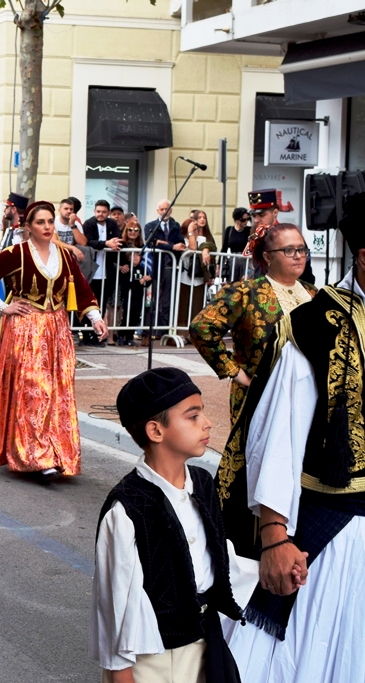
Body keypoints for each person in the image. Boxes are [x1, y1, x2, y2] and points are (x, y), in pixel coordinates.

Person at [217, 200, 365, 682]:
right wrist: (274, 537)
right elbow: (278, 436)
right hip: (337, 529)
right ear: (363, 255)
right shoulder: (315, 326)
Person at [92, 368, 259, 683]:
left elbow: (217, 559)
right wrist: (121, 673)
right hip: (152, 660)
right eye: (193, 417)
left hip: (204, 646)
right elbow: (115, 601)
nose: (207, 423)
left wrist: (267, 574)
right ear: (156, 431)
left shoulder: (203, 484)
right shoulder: (128, 508)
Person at [0, 201, 107, 480]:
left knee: (57, 391)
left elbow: (82, 290)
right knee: (33, 390)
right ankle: (34, 456)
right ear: (28, 227)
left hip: (57, 330)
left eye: (49, 221)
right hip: (24, 329)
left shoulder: (66, 256)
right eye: (40, 222)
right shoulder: (14, 254)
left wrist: (95, 318)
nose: (47, 227)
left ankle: (57, 452)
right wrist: (2, 307)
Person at [190, 224, 316, 427]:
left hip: (308, 395)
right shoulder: (247, 293)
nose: (298, 256)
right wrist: (235, 372)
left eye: (302, 249)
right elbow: (201, 328)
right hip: (263, 397)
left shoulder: (313, 294)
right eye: (288, 250)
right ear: (268, 257)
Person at [143, 200, 186, 342]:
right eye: (161, 209)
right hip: (155, 266)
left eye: (166, 209)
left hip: (170, 267)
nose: (164, 212)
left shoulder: (175, 226)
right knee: (154, 299)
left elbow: (182, 245)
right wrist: (171, 247)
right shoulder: (150, 226)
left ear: (171, 210)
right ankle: (152, 329)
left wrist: (164, 244)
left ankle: (163, 329)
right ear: (157, 211)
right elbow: (151, 243)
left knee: (167, 300)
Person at [81, 199, 122, 346]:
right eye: (98, 211)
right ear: (94, 211)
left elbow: (117, 240)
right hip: (91, 270)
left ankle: (97, 335)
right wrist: (105, 244)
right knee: (89, 303)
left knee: (102, 303)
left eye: (104, 212)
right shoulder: (89, 224)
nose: (100, 214)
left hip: (107, 270)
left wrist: (112, 243)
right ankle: (85, 336)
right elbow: (88, 242)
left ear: (108, 213)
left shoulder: (112, 224)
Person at [113, 219, 153, 346]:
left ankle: (129, 336)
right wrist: (119, 267)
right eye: (130, 229)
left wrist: (147, 280)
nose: (133, 232)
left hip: (138, 295)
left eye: (136, 230)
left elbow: (145, 282)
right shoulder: (122, 244)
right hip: (126, 292)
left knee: (135, 316)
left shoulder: (141, 248)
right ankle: (120, 335)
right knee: (124, 315)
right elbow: (126, 282)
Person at [176, 211, 217, 334]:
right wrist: (190, 233)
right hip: (184, 277)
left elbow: (210, 245)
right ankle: (181, 333)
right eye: (192, 229)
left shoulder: (202, 238)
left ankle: (194, 333)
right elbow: (192, 248)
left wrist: (205, 250)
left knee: (197, 306)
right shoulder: (182, 239)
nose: (194, 232)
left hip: (198, 277)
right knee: (182, 306)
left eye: (195, 230)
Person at [220, 207, 251, 282]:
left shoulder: (249, 230)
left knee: (245, 283)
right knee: (232, 284)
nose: (246, 222)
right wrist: (219, 264)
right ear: (236, 219)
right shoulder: (229, 230)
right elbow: (224, 249)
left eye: (248, 219)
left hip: (245, 261)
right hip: (232, 261)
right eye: (243, 220)